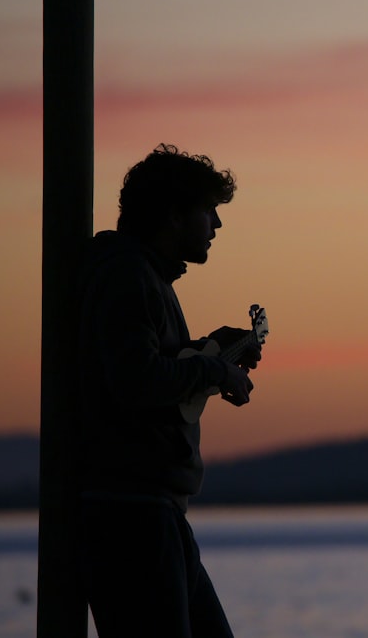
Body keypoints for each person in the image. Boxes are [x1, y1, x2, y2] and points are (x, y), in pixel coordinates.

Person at [76, 144, 262, 637]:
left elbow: (154, 367)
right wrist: (217, 373)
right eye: (209, 212)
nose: (216, 227)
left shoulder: (143, 276)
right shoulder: (128, 275)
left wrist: (210, 350)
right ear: (175, 215)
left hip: (156, 514)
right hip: (132, 519)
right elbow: (136, 381)